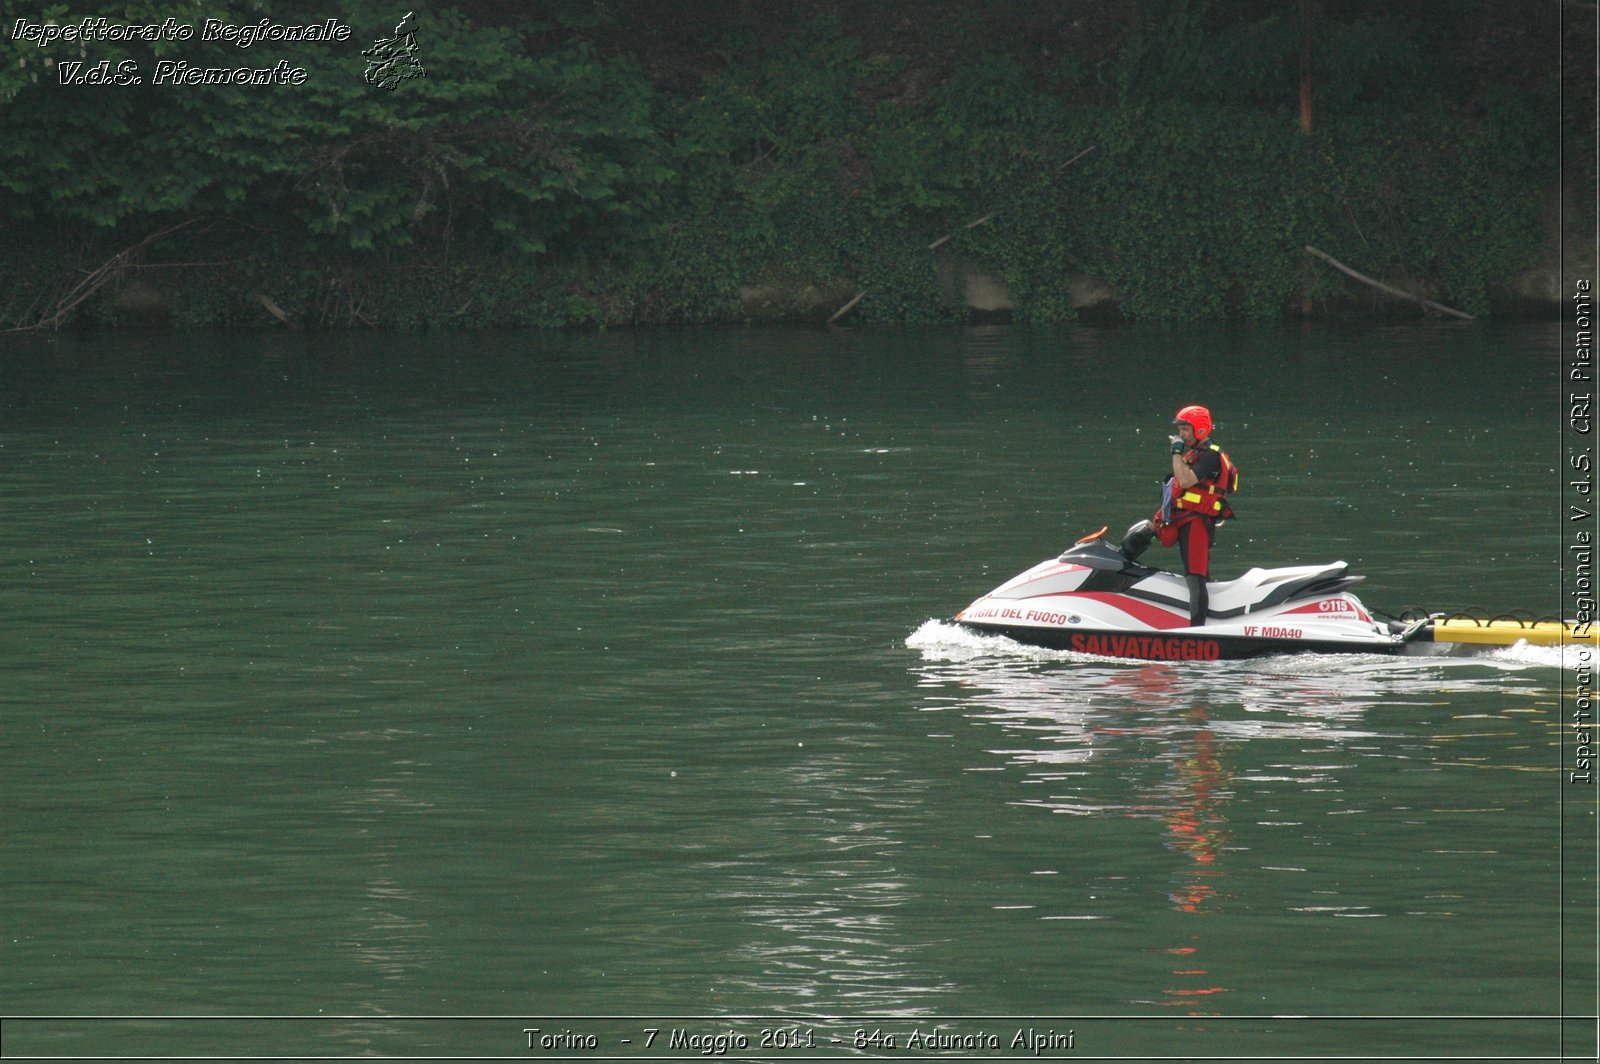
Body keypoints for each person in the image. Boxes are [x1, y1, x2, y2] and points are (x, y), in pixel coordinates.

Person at [1119, 405, 1238, 626]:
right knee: (1142, 534)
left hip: (1196, 524)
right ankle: (1115, 584)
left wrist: (1176, 453)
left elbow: (1185, 481)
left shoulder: (1210, 456)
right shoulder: (1195, 453)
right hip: (1180, 518)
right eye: (1180, 429)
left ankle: (1198, 630)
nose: (1180, 434)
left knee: (1196, 577)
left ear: (1200, 430)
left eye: (1185, 429)